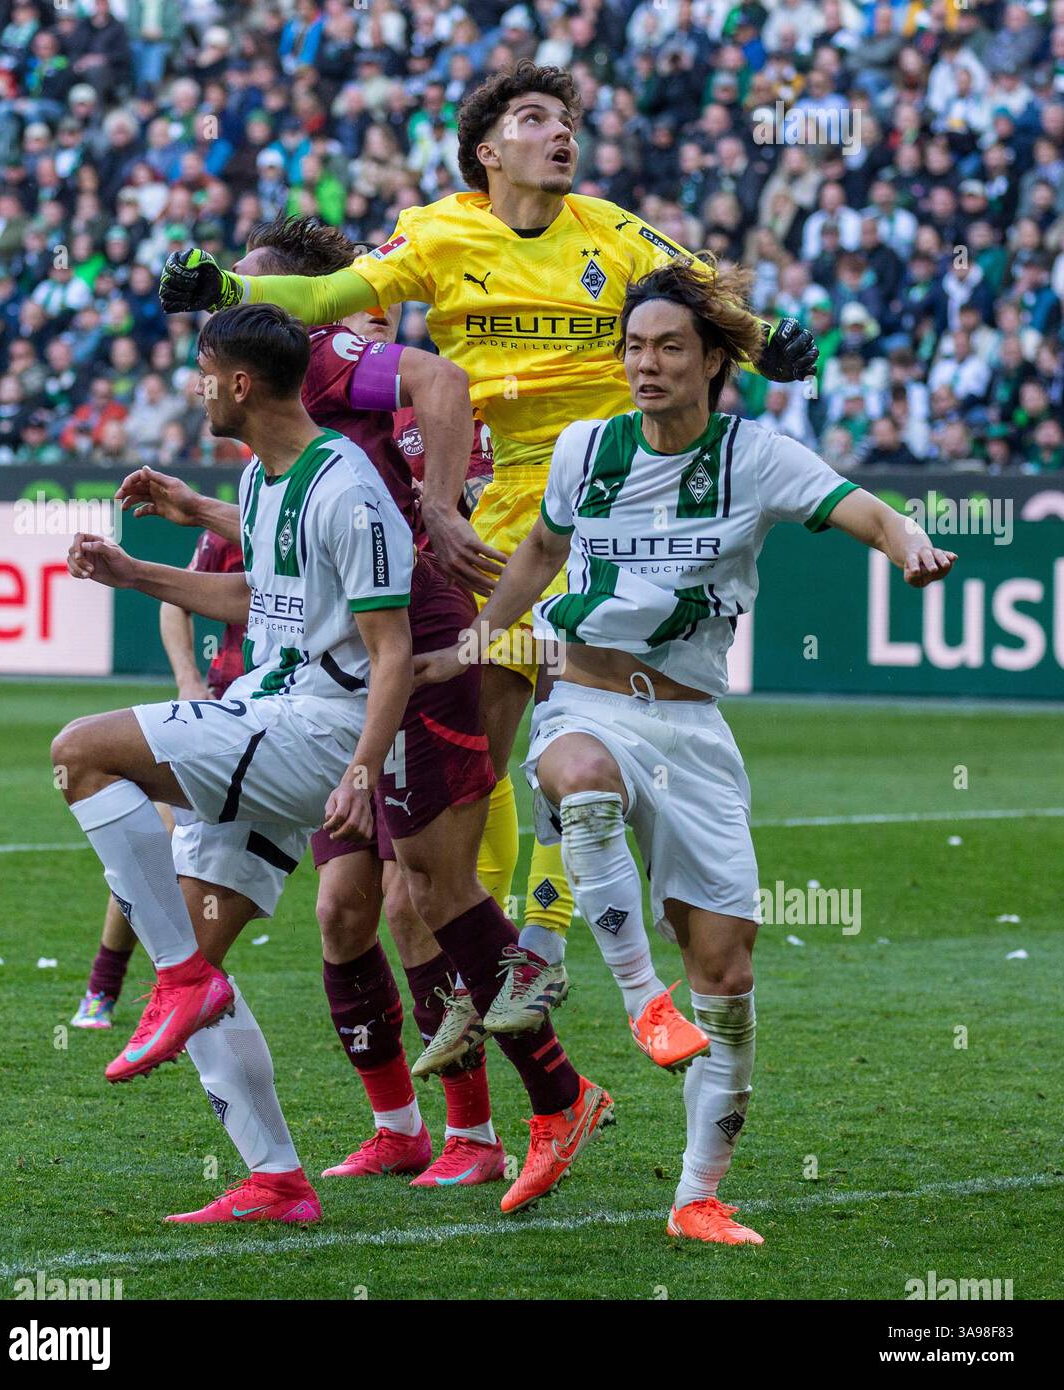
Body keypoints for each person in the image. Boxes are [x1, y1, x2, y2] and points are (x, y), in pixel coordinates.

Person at [157, 60, 818, 1070]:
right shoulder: (437, 234)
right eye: (535, 118)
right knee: (471, 761)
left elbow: (701, 293)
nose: (561, 133)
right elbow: (332, 290)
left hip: (611, 513)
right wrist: (231, 289)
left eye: (567, 118)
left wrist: (769, 342)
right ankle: (487, 968)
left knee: (576, 736)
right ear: (487, 149)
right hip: (505, 516)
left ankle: (550, 950)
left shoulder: (614, 231)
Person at [415, 257, 957, 1244]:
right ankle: (636, 1000)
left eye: (668, 347)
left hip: (692, 726)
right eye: (632, 347)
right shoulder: (586, 448)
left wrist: (909, 544)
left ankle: (697, 1195)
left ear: (713, 359)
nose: (645, 365)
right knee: (573, 778)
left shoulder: (756, 457)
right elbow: (539, 550)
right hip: (583, 694)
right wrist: (481, 632)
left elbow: (865, 510)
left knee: (729, 970)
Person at [127, 220, 615, 1213]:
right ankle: (401, 1126)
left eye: (257, 293)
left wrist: (440, 507)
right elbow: (300, 540)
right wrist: (187, 526)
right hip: (338, 666)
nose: (237, 310)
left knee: (429, 898)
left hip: (412, 651)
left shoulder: (331, 353)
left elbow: (437, 393)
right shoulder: (285, 425)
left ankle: (520, 1108)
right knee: (348, 907)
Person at [55, 302, 416, 1223]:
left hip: (319, 732)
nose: (198, 387)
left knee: (81, 754)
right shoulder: (264, 479)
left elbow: (393, 648)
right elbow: (259, 597)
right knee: (196, 946)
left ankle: (178, 976)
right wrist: (136, 573)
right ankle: (277, 1179)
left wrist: (363, 768)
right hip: (268, 706)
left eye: (205, 372)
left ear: (241, 383)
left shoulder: (347, 484)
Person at [70, 529, 245, 1031]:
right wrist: (189, 679)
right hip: (223, 715)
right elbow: (176, 603)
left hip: (301, 722)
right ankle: (105, 986)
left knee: (348, 895)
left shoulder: (326, 508)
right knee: (159, 844)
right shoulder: (235, 523)